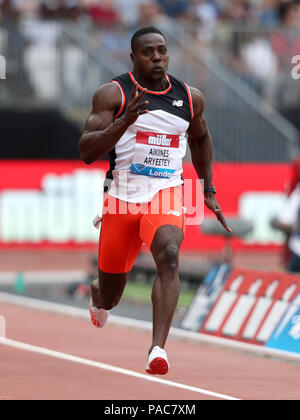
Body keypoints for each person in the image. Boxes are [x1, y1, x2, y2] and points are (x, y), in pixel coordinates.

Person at [79, 26, 231, 375]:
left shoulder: (189, 97)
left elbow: (202, 138)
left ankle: (157, 348)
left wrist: (208, 189)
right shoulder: (113, 94)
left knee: (170, 254)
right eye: (148, 52)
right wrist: (125, 121)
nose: (157, 57)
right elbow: (87, 151)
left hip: (167, 191)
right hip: (121, 198)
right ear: (133, 58)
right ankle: (98, 291)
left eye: (162, 50)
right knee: (111, 296)